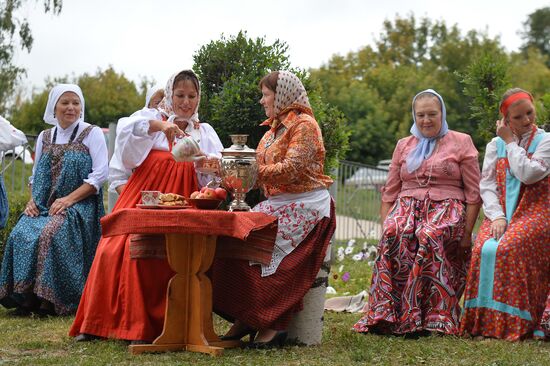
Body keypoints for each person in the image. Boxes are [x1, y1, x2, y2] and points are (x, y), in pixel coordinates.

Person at [70, 69, 223, 343]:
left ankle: (152, 327)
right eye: (180, 95)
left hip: (183, 199)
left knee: (160, 253)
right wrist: (161, 126)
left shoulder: (205, 132)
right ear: (169, 96)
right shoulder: (153, 120)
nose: (186, 102)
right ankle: (96, 324)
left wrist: (205, 164)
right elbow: (126, 132)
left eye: (191, 95)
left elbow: (213, 176)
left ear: (199, 98)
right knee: (113, 248)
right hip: (145, 196)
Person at [210, 71, 336, 349]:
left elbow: (291, 169)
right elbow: (249, 163)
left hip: (307, 204)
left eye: (266, 94)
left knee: (260, 246)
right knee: (235, 237)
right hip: (279, 203)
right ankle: (247, 317)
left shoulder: (305, 125)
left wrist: (249, 171)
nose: (261, 100)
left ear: (281, 96)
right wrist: (218, 165)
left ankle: (272, 324)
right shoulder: (271, 131)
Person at [353, 89, 481, 336]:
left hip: (447, 207)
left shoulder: (461, 141)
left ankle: (431, 318)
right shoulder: (404, 145)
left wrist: (467, 234)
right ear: (414, 116)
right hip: (407, 206)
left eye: (432, 114)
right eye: (420, 115)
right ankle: (387, 315)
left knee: (429, 235)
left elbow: (474, 194)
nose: (426, 120)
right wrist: (386, 225)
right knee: (394, 232)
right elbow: (390, 192)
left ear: (442, 113)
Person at [0, 84, 108, 315]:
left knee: (51, 233)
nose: (71, 107)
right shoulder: (45, 137)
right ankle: (26, 297)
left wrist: (69, 200)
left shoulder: (92, 133)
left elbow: (99, 176)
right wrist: (32, 201)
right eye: (65, 102)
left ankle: (52, 300)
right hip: (46, 204)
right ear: (54, 107)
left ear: (81, 107)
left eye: (75, 103)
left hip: (80, 205)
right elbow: (36, 173)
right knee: (21, 232)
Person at [460, 88, 550, 341]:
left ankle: (516, 323)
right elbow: (487, 185)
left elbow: (528, 174)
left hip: (537, 213)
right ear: (506, 121)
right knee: (483, 248)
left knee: (510, 246)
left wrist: (510, 142)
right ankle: (483, 323)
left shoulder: (546, 141)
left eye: (529, 113)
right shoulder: (493, 145)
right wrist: (497, 216)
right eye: (518, 117)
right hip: (501, 214)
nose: (527, 121)